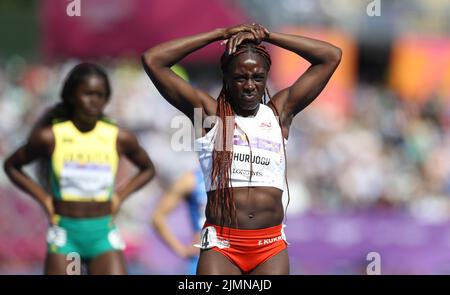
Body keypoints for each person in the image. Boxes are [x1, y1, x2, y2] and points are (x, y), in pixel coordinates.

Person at [142, 23, 341, 275]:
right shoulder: (211, 116)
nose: (249, 85)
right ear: (225, 77)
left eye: (258, 77)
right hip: (221, 248)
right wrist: (218, 35)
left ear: (266, 78)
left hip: (270, 248)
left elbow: (330, 56)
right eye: (240, 77)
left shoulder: (279, 114)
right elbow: (153, 60)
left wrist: (269, 36)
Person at [3, 63, 156, 275]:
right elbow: (12, 166)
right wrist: (44, 199)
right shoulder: (52, 136)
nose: (94, 100)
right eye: (88, 94)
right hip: (66, 235)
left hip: (102, 234)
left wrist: (120, 196)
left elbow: (147, 169)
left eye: (101, 95)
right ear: (72, 96)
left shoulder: (118, 136)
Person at [151, 167, 207, 275]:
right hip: (201, 259)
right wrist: (182, 250)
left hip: (235, 258)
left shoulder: (242, 179)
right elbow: (157, 217)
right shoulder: (192, 180)